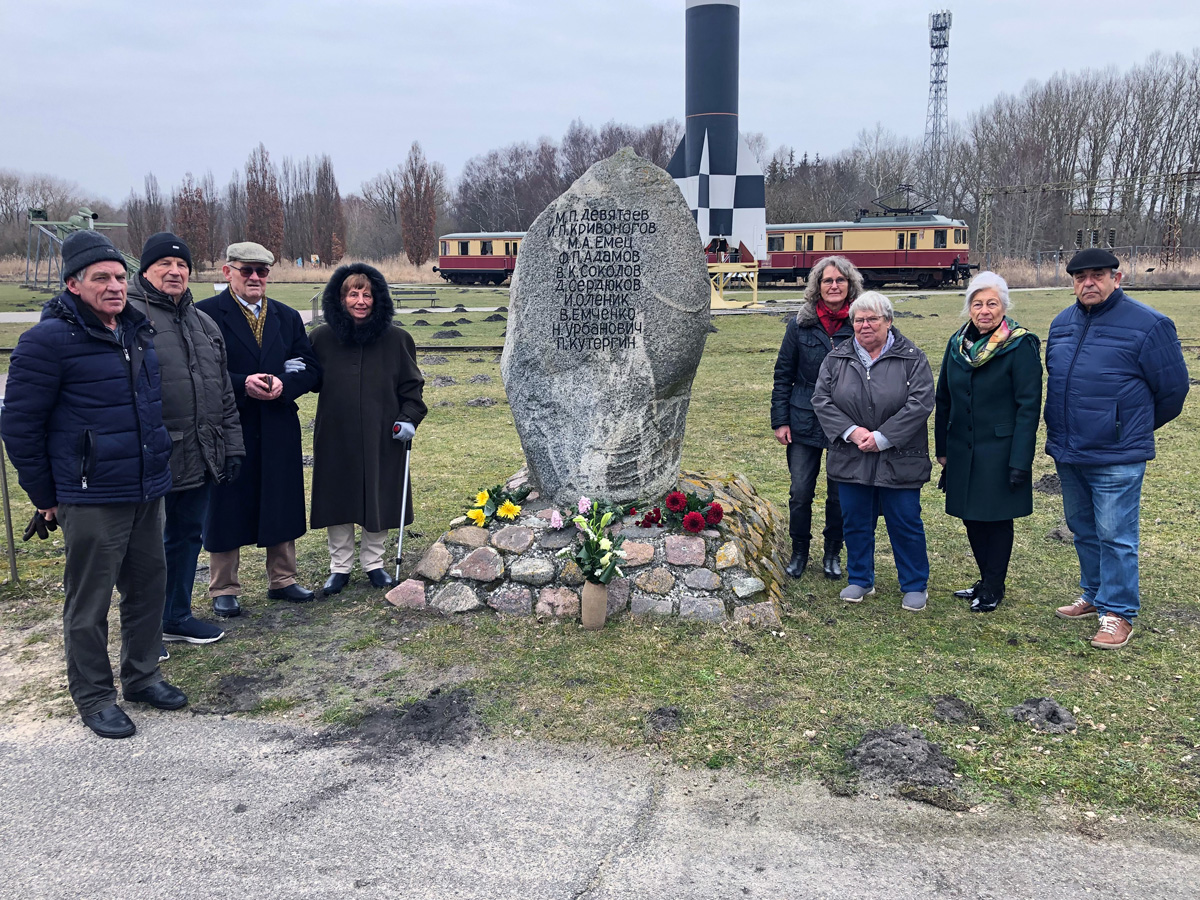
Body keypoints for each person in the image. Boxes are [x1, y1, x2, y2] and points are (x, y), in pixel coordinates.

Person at [1, 231, 187, 738]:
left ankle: (143, 675)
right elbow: (19, 426)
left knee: (149, 588)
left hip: (146, 487)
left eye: (120, 277)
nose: (114, 286)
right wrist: (46, 496)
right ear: (73, 284)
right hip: (90, 494)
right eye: (101, 278)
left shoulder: (138, 332)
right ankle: (94, 695)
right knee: (89, 601)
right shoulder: (46, 342)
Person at [1044, 248, 1188, 649]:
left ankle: (1118, 612)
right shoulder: (1062, 324)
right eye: (1079, 277)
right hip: (1070, 450)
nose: (1087, 283)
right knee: (1083, 529)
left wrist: (1126, 426)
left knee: (1117, 535)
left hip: (1117, 454)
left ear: (1116, 278)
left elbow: (1173, 391)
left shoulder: (1149, 325)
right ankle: (1093, 594)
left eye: (1096, 275)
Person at [127, 233, 244, 646]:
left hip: (199, 452)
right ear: (145, 270)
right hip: (150, 455)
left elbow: (224, 395)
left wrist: (232, 446)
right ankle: (144, 632)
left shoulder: (203, 324)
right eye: (165, 265)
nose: (175, 272)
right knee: (144, 548)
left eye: (182, 266)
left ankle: (176, 615)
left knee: (186, 536)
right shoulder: (127, 317)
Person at [195, 242, 321, 617]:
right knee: (226, 502)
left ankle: (282, 579)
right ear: (227, 271)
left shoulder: (286, 316)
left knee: (280, 496)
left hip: (278, 420)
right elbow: (199, 372)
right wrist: (240, 383)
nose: (254, 278)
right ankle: (224, 587)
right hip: (230, 422)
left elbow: (310, 367)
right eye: (246, 270)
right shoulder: (205, 315)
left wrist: (286, 384)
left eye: (261, 271)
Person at [812, 291, 935, 612]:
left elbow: (920, 402)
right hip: (851, 455)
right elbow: (821, 400)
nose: (865, 325)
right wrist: (852, 432)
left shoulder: (913, 358)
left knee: (905, 520)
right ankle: (861, 578)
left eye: (873, 319)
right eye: (859, 320)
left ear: (889, 322)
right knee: (855, 519)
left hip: (900, 456)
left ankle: (914, 584)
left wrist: (883, 437)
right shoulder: (837, 358)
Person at [309, 263, 427, 594]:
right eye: (353, 293)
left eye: (367, 294)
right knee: (337, 497)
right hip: (336, 434)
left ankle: (374, 563)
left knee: (380, 494)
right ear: (339, 297)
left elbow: (412, 390)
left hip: (383, 434)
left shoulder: (397, 340)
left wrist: (408, 418)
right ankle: (340, 566)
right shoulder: (320, 339)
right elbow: (307, 378)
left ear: (378, 300)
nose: (360, 301)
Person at [934, 272, 1042, 613]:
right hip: (962, 449)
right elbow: (944, 398)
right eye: (977, 303)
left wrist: (1020, 461)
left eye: (992, 303)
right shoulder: (957, 345)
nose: (984, 310)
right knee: (971, 516)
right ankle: (985, 578)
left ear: (1004, 307)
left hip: (1000, 451)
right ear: (969, 308)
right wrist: (942, 450)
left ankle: (994, 585)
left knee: (994, 519)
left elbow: (1028, 407)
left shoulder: (1020, 345)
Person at [770, 255, 859, 579]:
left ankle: (833, 553)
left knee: (839, 494)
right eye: (827, 281)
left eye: (839, 280)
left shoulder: (862, 321)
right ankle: (799, 551)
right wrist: (780, 420)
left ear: (850, 285)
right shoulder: (800, 323)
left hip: (846, 423)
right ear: (817, 287)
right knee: (800, 492)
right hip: (803, 418)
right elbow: (783, 374)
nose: (833, 286)